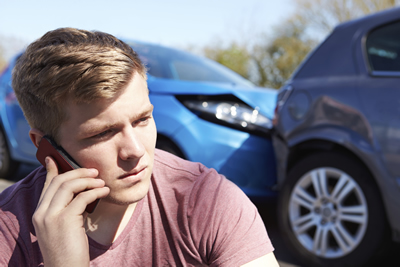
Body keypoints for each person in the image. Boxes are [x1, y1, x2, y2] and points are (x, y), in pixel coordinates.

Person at [0, 28, 278, 266]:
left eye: (142, 119)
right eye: (103, 133)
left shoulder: (207, 199)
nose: (135, 150)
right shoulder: (9, 230)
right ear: (45, 146)